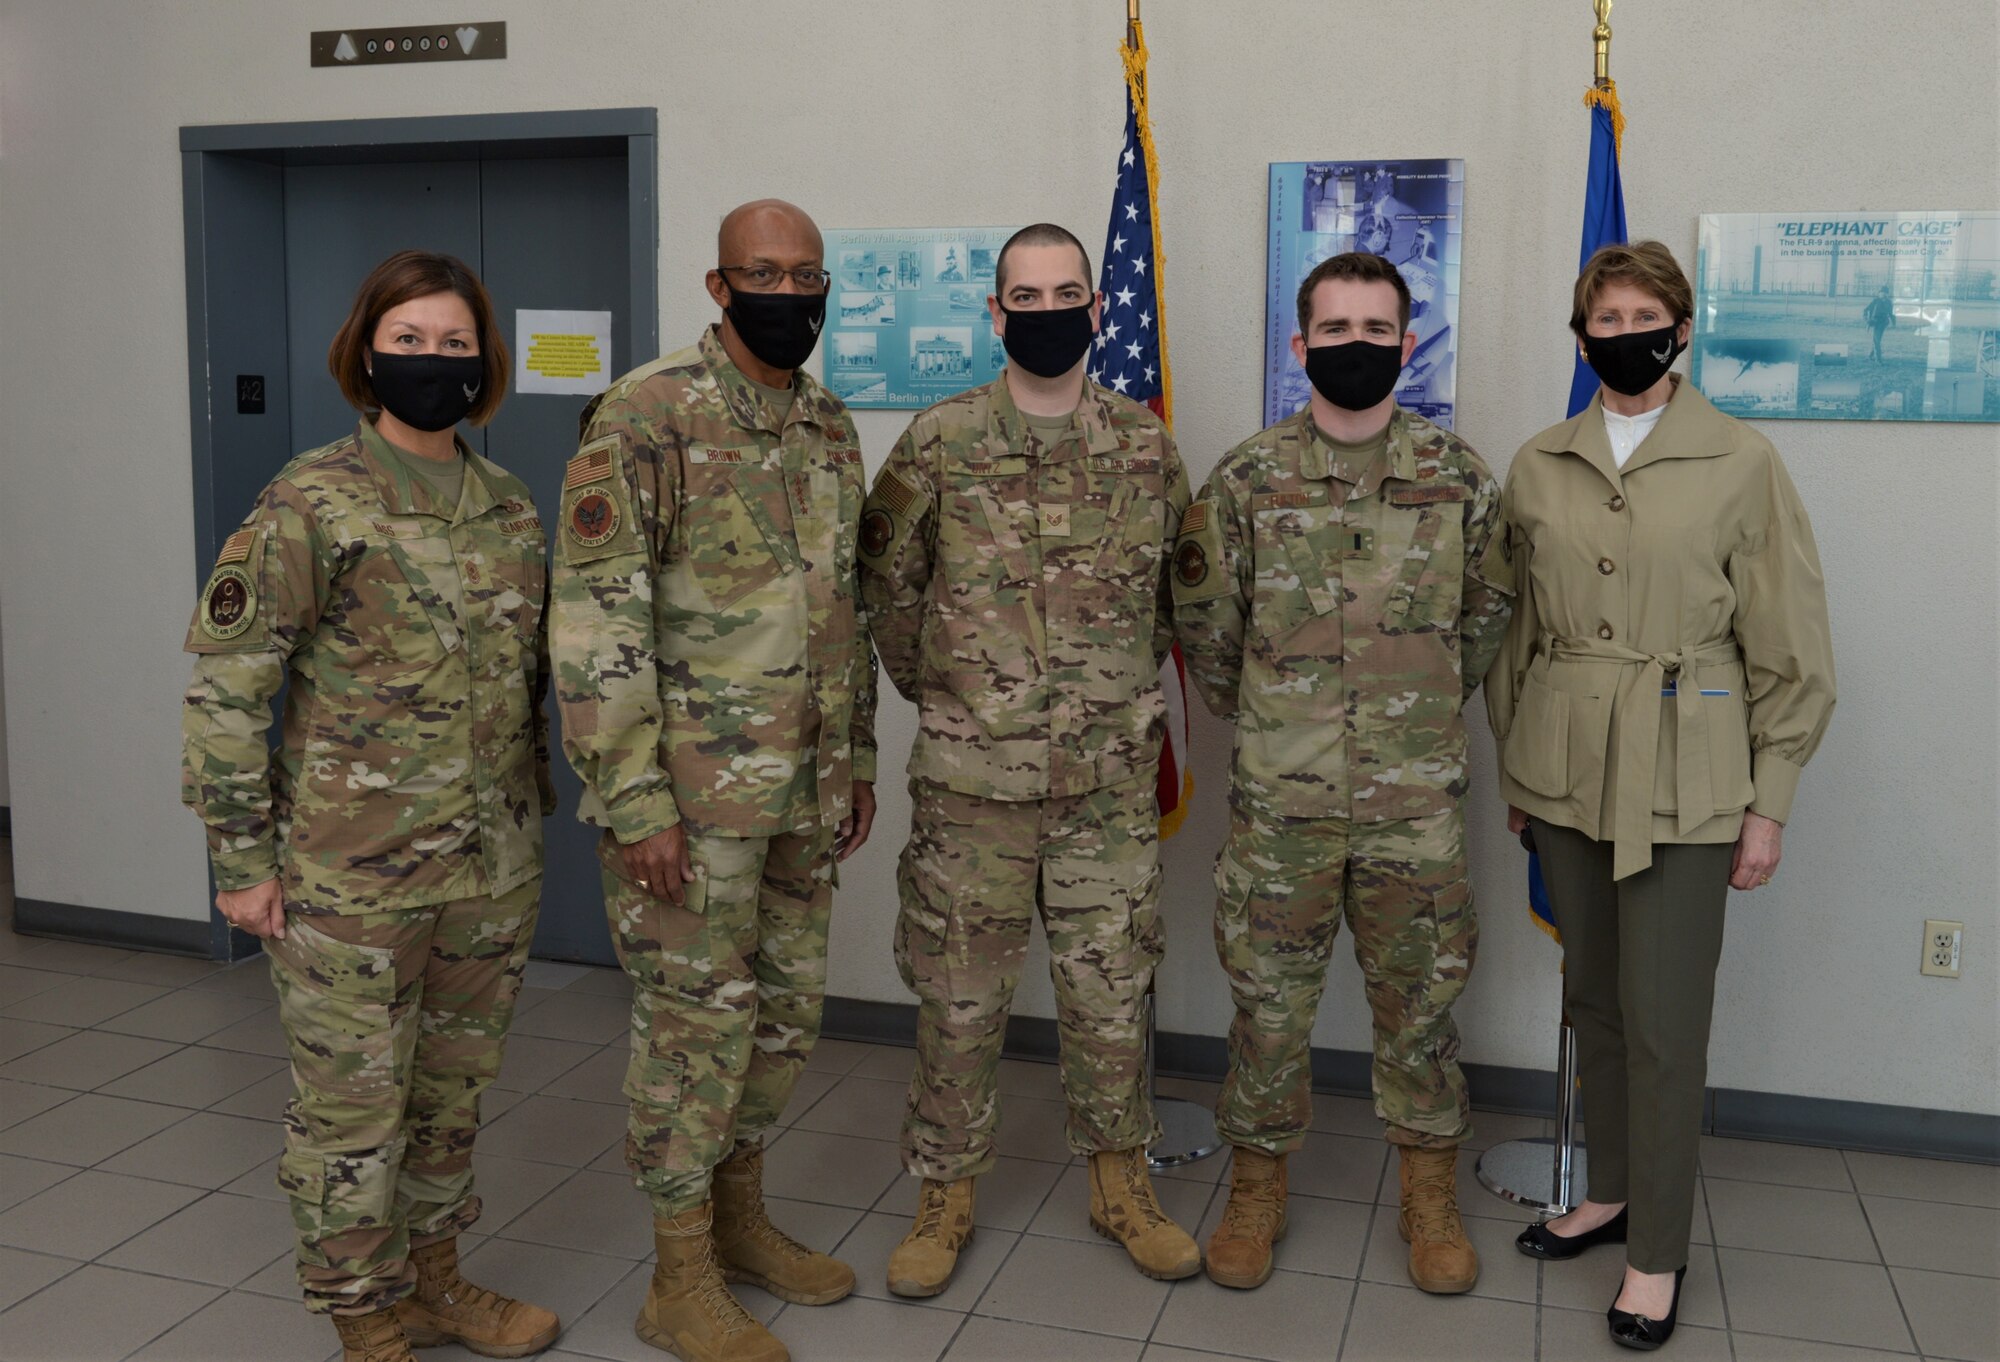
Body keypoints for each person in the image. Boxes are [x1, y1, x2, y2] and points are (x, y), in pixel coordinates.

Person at [180, 250, 560, 1362]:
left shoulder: (508, 506)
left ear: (482, 361)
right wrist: (241, 859)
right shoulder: (310, 501)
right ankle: (364, 1315)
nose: (432, 363)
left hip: (490, 870)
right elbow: (227, 688)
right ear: (367, 353)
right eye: (410, 343)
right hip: (352, 875)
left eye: (453, 345)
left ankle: (437, 1279)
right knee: (353, 1111)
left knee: (450, 1096)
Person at [1490, 240, 1835, 1351]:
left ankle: (1656, 1254)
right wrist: (1518, 767)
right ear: (1580, 333)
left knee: (1664, 1022)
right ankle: (1608, 1192)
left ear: (1679, 330)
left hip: (1688, 778)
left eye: (1644, 314)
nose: (1622, 331)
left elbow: (1792, 649)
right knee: (1591, 999)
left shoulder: (1739, 459)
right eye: (1603, 316)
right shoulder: (1540, 460)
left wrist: (1767, 799)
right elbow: (1515, 634)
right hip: (1565, 774)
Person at [550, 198, 877, 1362]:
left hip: (802, 795)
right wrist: (634, 801)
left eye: (806, 275)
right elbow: (594, 625)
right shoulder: (644, 417)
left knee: (781, 1023)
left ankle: (740, 1226)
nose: (788, 294)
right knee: (694, 1034)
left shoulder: (829, 428)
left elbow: (844, 614)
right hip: (689, 807)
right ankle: (675, 1277)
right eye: (763, 274)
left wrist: (857, 761)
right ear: (717, 284)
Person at [859, 223, 1197, 1296]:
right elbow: (891, 598)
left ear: (1098, 310)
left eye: (1067, 292)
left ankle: (1119, 1184)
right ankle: (943, 1192)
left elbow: (1166, 607)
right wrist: (964, 701)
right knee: (959, 1005)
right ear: (994, 314)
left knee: (1110, 999)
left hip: (1103, 789)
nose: (1046, 310)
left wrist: (1097, 707)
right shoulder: (937, 441)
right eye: (1024, 295)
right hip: (973, 790)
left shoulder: (1144, 446)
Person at [1173, 252, 1513, 1296]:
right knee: (1266, 1013)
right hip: (1284, 807)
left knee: (1420, 1010)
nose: (1355, 345)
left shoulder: (1457, 480)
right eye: (1335, 329)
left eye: (1376, 329)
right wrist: (1284, 725)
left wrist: (1404, 718)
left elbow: (1488, 622)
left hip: (1413, 811)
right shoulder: (1244, 481)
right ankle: (1255, 1191)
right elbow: (1206, 635)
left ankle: (1425, 1196)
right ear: (1299, 345)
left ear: (1407, 345)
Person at [1864, 284, 1894, 361]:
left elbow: (1891, 313)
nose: (1883, 294)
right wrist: (1867, 320)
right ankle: (1876, 357)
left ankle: (1874, 357)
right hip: (1875, 322)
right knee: (1877, 340)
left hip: (1883, 323)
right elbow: (1866, 310)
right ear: (1879, 293)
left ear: (1887, 294)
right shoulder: (1875, 301)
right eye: (1881, 292)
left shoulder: (1889, 302)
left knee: (1877, 339)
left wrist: (1893, 323)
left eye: (1885, 292)